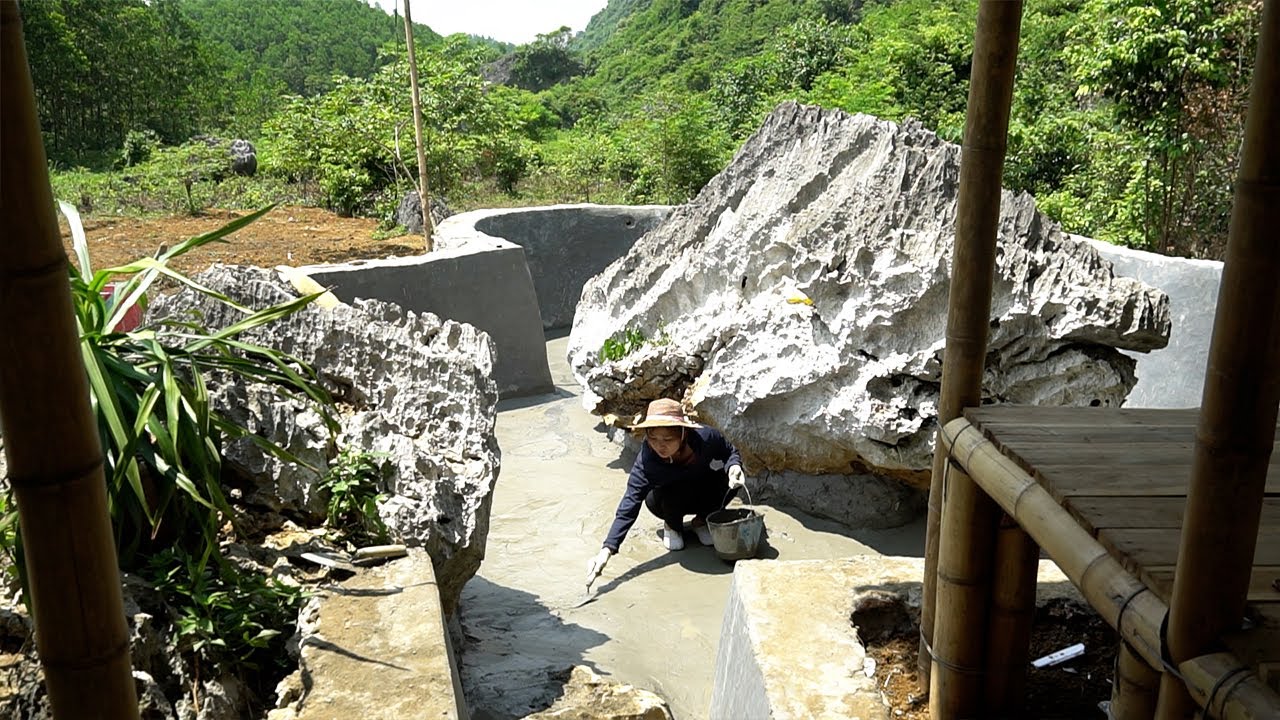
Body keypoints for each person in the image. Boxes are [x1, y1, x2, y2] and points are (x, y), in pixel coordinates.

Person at [586, 398, 747, 583]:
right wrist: (607, 550)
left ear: (683, 433)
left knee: (732, 482)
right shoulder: (647, 461)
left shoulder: (706, 438)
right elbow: (629, 504)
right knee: (672, 491)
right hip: (666, 500)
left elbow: (729, 452)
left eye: (667, 439)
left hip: (700, 488)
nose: (659, 446)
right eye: (652, 438)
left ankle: (701, 520)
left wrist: (734, 466)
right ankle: (672, 525)